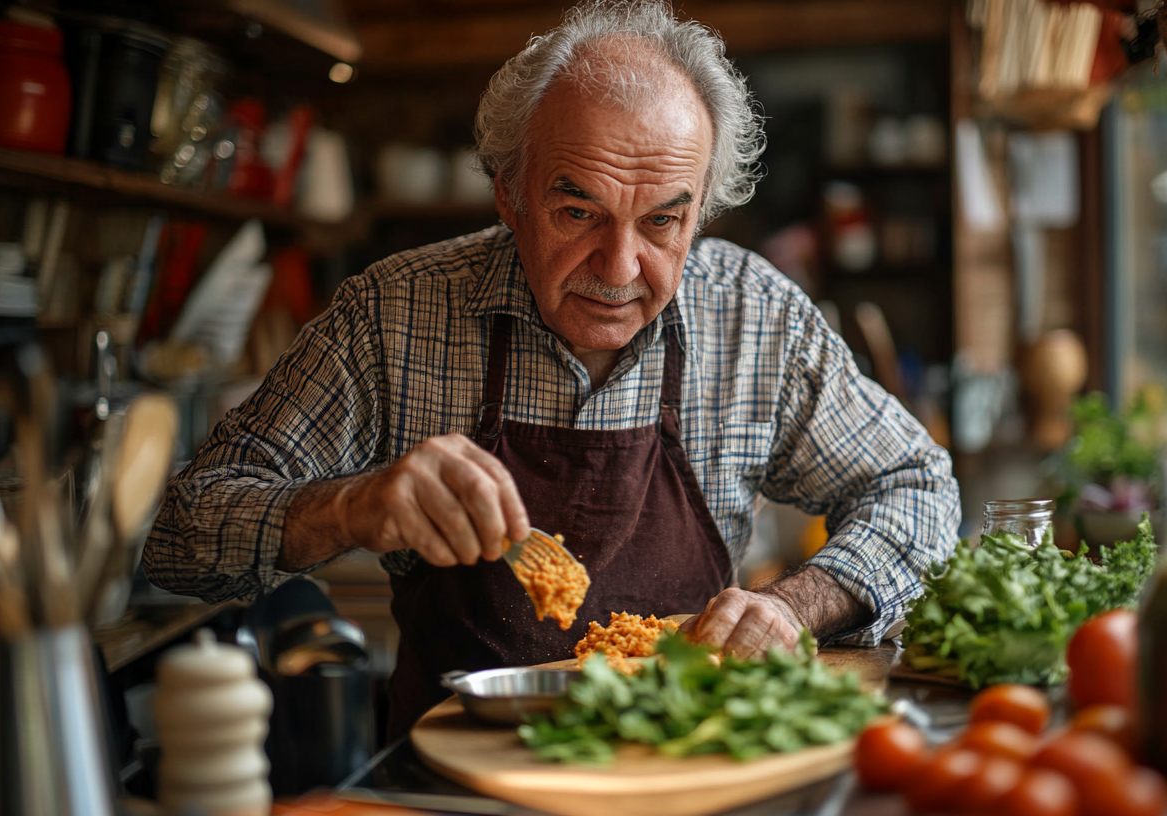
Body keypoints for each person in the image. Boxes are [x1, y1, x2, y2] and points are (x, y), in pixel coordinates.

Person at [144, 0, 960, 739]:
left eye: (663, 220)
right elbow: (180, 534)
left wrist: (792, 608)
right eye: (579, 212)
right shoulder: (394, 316)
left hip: (686, 759)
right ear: (510, 193)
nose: (620, 265)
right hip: (461, 774)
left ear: (703, 207)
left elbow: (919, 487)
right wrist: (350, 507)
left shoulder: (754, 318)